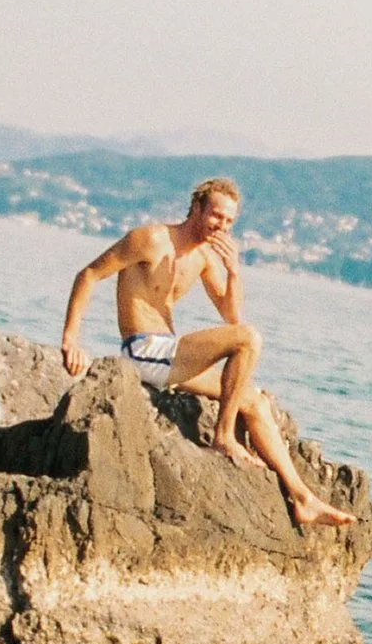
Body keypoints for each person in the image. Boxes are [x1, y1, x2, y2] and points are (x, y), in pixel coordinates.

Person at [58, 176, 355, 535]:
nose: (222, 227)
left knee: (255, 402)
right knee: (249, 339)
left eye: (229, 222)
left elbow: (231, 316)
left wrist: (233, 272)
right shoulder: (151, 239)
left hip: (168, 358)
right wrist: (72, 338)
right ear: (196, 208)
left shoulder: (203, 258)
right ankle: (223, 436)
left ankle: (302, 497)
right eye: (216, 216)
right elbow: (88, 274)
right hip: (144, 351)